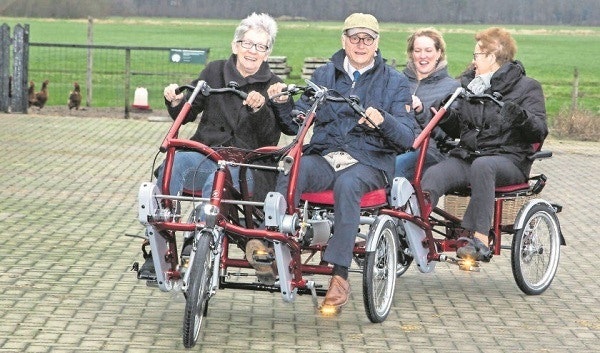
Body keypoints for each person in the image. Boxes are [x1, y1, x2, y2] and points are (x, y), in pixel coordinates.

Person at [268, 13, 415, 310]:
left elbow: (406, 138)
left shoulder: (395, 82)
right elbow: (299, 121)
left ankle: (339, 274)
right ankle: (276, 246)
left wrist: (383, 120)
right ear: (343, 40)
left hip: (370, 162)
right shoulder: (324, 76)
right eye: (354, 37)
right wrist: (282, 104)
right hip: (326, 156)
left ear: (377, 43)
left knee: (349, 184)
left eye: (368, 38)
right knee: (293, 167)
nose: (361, 44)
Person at [141, 12, 291, 281]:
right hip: (205, 153)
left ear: (267, 53)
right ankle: (160, 247)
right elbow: (187, 113)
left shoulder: (274, 86)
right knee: (173, 165)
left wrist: (261, 110)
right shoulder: (213, 71)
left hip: (245, 166)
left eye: (260, 46)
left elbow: (271, 139)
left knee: (218, 181)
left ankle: (196, 237)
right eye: (247, 44)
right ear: (235, 45)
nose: (252, 51)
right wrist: (175, 102)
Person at [421, 27, 548, 261]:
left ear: (492, 56)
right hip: (469, 157)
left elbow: (539, 131)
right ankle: (417, 229)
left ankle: (479, 238)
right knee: (435, 174)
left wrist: (520, 116)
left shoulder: (527, 87)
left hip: (509, 161)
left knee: (483, 166)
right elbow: (460, 128)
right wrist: (446, 117)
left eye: (476, 55)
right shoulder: (471, 86)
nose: (473, 61)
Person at [394, 28, 460, 180]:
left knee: (395, 167)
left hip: (429, 151)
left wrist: (421, 111)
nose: (423, 56)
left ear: (439, 53)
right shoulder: (398, 81)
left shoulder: (452, 88)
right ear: (411, 54)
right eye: (417, 50)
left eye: (428, 50)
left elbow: (446, 135)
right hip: (395, 146)